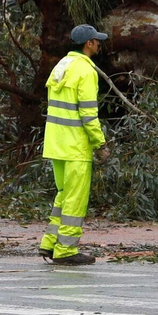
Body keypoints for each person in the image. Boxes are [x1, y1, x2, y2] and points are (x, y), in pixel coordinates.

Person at [39, 24, 110, 266]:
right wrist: (100, 143)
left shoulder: (62, 66)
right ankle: (66, 250)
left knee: (63, 195)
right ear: (88, 43)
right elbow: (89, 115)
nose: (99, 44)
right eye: (96, 40)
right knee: (75, 199)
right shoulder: (86, 71)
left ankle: (50, 243)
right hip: (76, 145)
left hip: (56, 143)